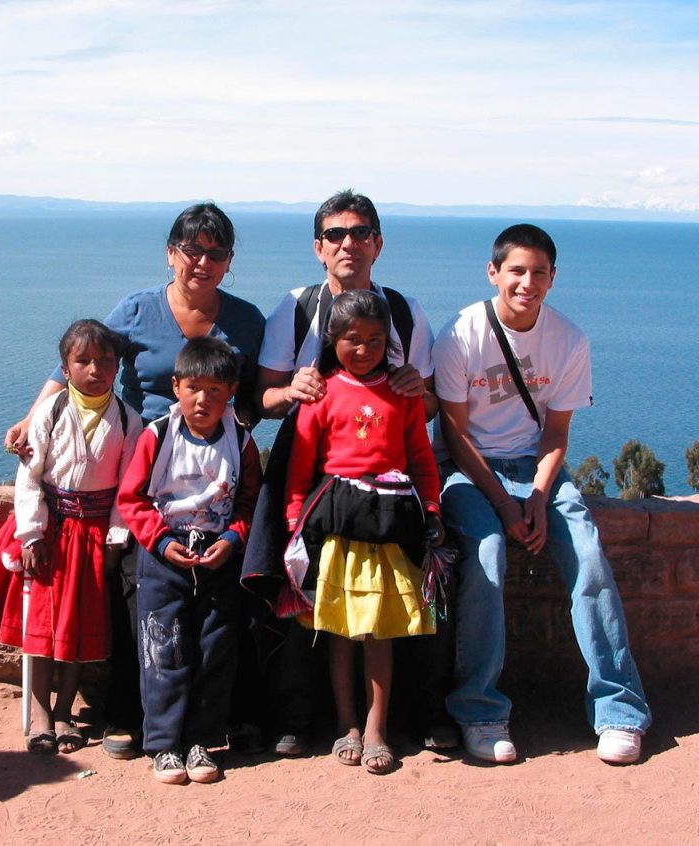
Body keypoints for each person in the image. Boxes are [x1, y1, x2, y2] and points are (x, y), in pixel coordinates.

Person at [3, 203, 265, 759]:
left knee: (225, 599)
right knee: (132, 591)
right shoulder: (137, 309)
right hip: (140, 472)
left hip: (214, 474)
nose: (202, 261)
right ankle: (128, 711)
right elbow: (75, 364)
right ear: (171, 253)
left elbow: (257, 394)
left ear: (228, 261)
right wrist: (33, 419)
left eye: (215, 253)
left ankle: (220, 717)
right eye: (191, 250)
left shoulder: (246, 320)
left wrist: (290, 397)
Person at [244, 189, 455, 756]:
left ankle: (424, 712)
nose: (348, 244)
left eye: (359, 233)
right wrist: (291, 390)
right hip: (308, 464)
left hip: (387, 477)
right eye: (335, 234)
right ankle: (298, 712)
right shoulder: (295, 307)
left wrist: (417, 390)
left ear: (378, 244)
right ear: (319, 247)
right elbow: (260, 398)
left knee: (423, 587)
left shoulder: (406, 313)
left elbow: (427, 405)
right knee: (294, 585)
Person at [433, 223, 651, 765]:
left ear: (553, 279)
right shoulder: (459, 334)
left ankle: (620, 711)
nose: (527, 283)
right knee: (485, 556)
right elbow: (456, 438)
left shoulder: (569, 339)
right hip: (472, 470)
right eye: (516, 271)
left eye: (539, 273)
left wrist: (535, 494)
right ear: (494, 273)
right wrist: (506, 506)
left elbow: (556, 435)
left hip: (538, 468)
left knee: (588, 556)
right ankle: (480, 712)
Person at [279, 290, 445, 775]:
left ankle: (376, 727)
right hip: (337, 530)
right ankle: (346, 724)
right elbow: (300, 468)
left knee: (378, 632)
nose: (365, 348)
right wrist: (293, 521)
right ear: (333, 338)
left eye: (376, 339)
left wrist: (431, 509)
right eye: (353, 338)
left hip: (389, 532)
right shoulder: (321, 394)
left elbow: (420, 459)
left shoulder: (404, 393)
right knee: (340, 633)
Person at [0, 319, 142, 754]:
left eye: (104, 361)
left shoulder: (127, 420)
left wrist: (116, 537)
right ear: (65, 368)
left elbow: (126, 486)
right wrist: (30, 534)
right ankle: (41, 711)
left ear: (117, 367)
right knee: (41, 627)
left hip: (94, 536)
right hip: (52, 534)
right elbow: (30, 476)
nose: (95, 369)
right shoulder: (49, 412)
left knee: (78, 628)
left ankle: (65, 710)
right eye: (83, 361)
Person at [117, 337, 263, 784]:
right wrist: (161, 543)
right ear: (176, 386)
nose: (204, 399)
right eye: (195, 388)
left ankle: (203, 741)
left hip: (218, 557)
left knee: (214, 651)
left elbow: (249, 501)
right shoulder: (157, 436)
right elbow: (133, 498)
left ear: (232, 392)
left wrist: (234, 541)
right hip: (165, 555)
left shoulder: (241, 441)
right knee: (163, 650)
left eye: (216, 390)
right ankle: (163, 744)